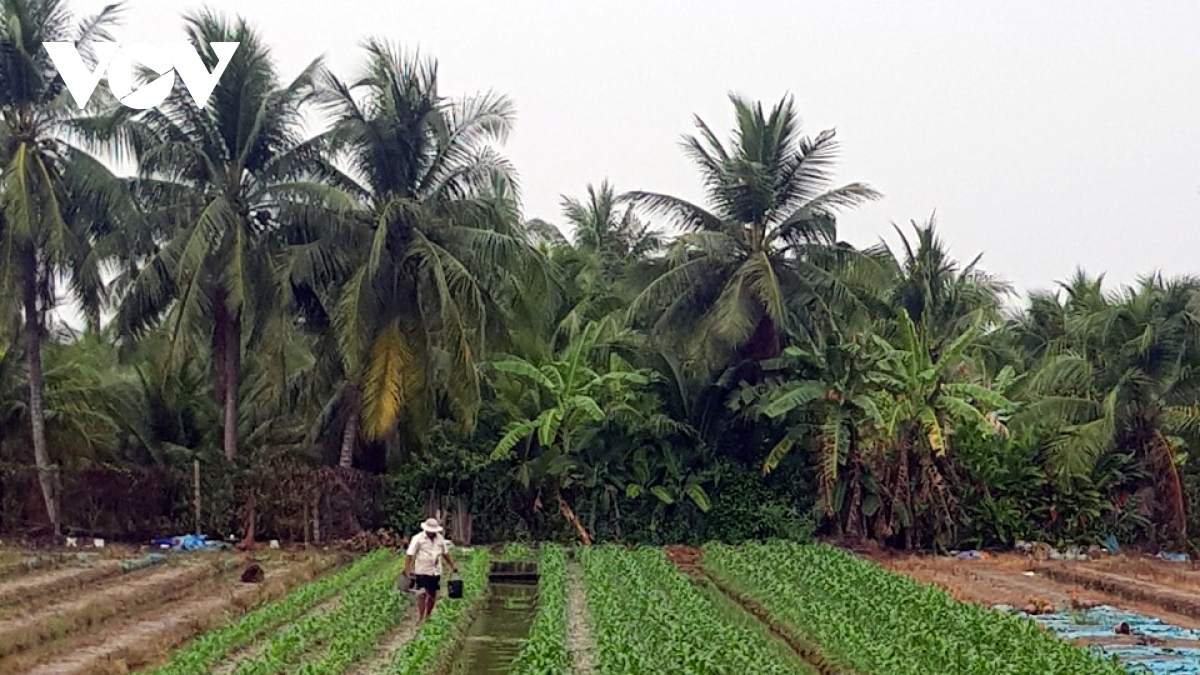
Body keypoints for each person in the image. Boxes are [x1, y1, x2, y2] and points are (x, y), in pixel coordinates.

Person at [403, 517, 458, 624]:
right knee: (421, 593)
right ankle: (421, 617)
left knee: (432, 594)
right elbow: (409, 554)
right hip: (422, 570)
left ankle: (428, 616)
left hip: (435, 571)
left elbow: (445, 553)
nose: (432, 533)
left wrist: (452, 566)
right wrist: (407, 570)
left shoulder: (440, 539)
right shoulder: (418, 538)